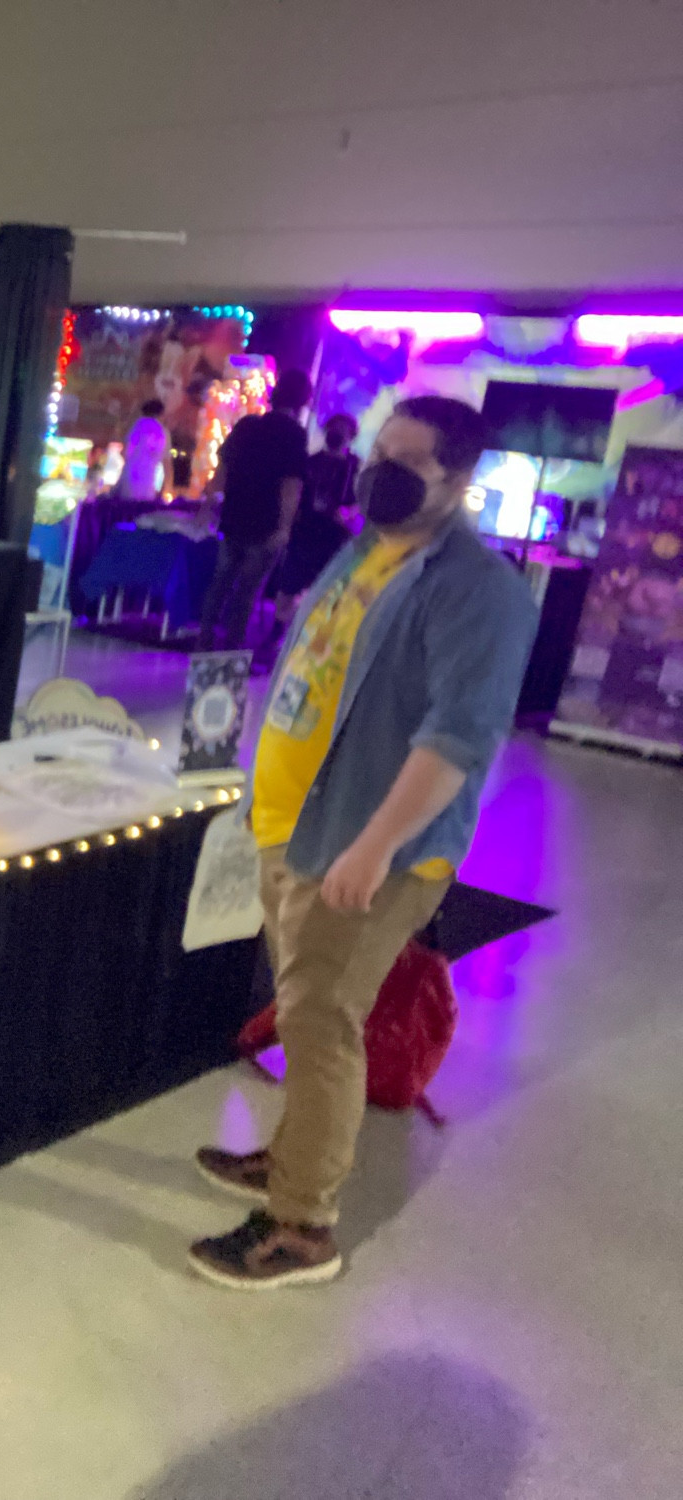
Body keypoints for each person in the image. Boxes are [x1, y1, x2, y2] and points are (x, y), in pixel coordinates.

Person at [191, 396, 538, 1290]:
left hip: (364, 847)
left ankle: (302, 1227)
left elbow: (458, 738)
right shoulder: (363, 548)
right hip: (293, 824)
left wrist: (376, 846)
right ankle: (294, 1154)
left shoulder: (478, 588)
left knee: (322, 1021)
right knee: (304, 1008)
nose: (381, 471)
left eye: (407, 461)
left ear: (459, 480)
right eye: (378, 451)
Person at [199, 368, 313, 652]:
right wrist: (285, 527)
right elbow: (291, 484)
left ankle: (204, 640)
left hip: (235, 514)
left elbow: (221, 470)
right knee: (247, 590)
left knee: (220, 583)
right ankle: (232, 648)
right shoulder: (294, 435)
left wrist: (208, 505)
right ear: (302, 401)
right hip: (267, 522)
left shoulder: (247, 426)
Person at [265, 412, 363, 647]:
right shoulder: (311, 462)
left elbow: (363, 498)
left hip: (334, 536)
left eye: (342, 430)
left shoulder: (355, 466)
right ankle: (277, 633)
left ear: (351, 435)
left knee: (327, 588)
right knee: (288, 585)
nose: (336, 434)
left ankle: (316, 638)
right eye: (333, 428)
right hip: (305, 531)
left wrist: (350, 514)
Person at [118, 398, 171, 501]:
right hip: (147, 482)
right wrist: (166, 488)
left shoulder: (136, 426)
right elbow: (167, 463)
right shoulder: (163, 432)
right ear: (161, 414)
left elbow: (125, 452)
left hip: (129, 478)